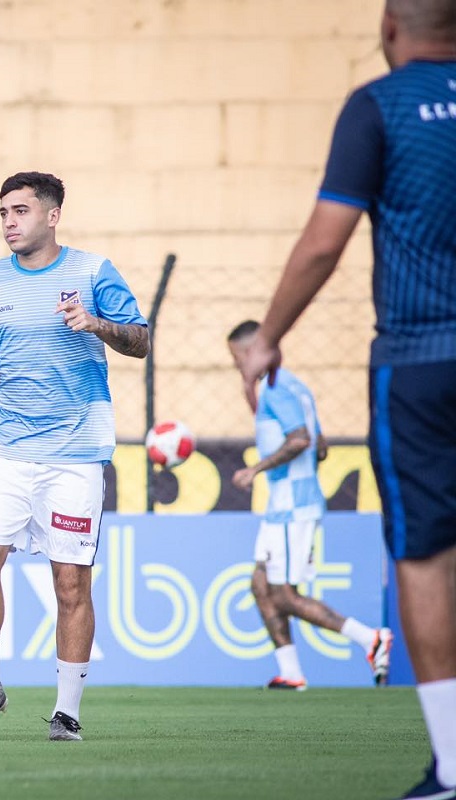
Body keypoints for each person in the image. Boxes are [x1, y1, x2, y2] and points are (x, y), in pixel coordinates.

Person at [235, 2, 456, 796]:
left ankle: (452, 764)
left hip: (423, 357)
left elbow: (326, 239)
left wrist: (268, 338)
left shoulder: (379, 105)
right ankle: (299, 667)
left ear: (391, 29)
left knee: (427, 557)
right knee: (271, 589)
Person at [0, 171, 149, 741]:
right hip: (8, 447)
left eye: (21, 211)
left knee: (70, 582)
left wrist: (97, 324)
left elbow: (141, 339)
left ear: (52, 215)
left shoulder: (92, 272)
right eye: (3, 212)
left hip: (75, 451)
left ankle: (67, 711)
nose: (9, 222)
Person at [227, 321, 392, 691]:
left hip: (293, 507)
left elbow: (301, 440)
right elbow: (321, 446)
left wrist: (256, 468)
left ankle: (370, 639)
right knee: (259, 584)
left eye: (238, 358)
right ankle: (291, 672)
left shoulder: (277, 390)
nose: (237, 365)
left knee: (284, 594)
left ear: (255, 352)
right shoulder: (291, 386)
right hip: (285, 505)